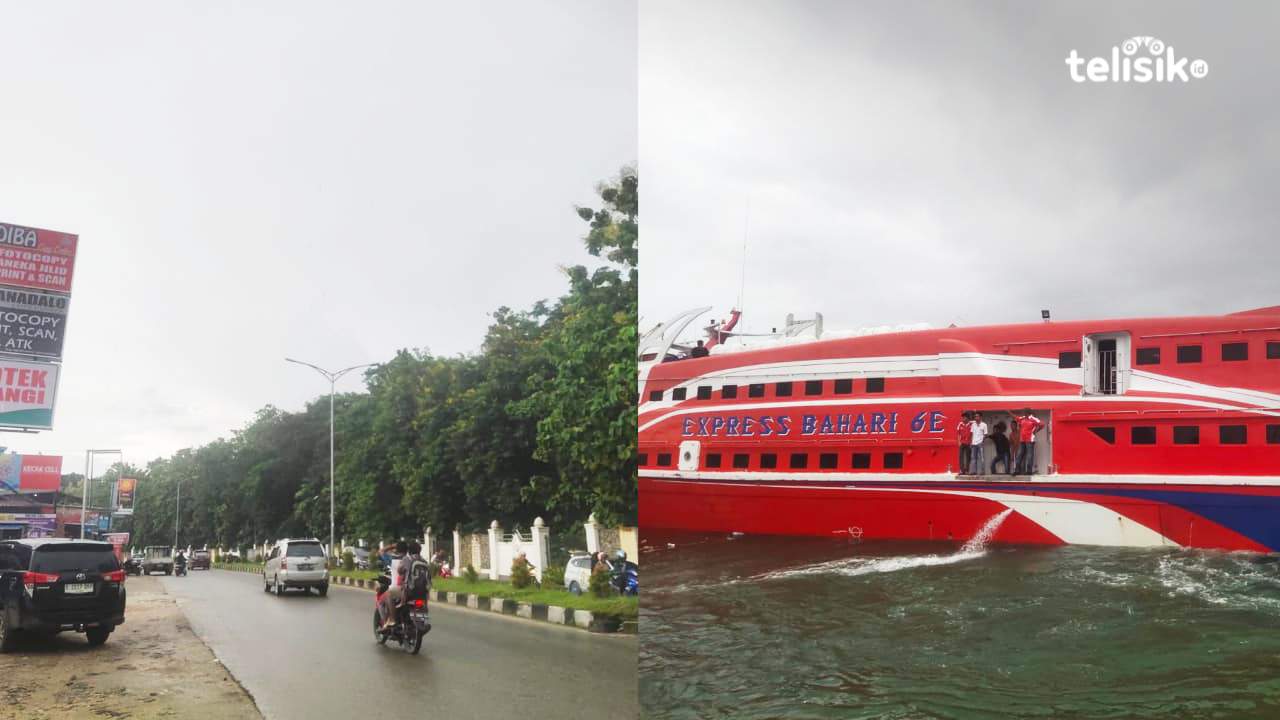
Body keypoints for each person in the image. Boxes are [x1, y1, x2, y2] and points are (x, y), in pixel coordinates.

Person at [377, 540, 408, 630]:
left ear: (397, 549)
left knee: (381, 601)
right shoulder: (411, 559)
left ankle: (389, 621)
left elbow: (381, 551)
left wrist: (391, 546)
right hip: (411, 590)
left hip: (398, 588)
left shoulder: (393, 559)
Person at [1012, 409, 1045, 474]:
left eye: (1024, 412)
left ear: (1028, 413)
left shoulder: (1033, 418)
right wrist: (1008, 411)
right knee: (1019, 455)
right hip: (1022, 440)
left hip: (1030, 440)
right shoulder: (1023, 418)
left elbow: (1042, 424)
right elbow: (1015, 417)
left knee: (1029, 455)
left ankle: (1029, 471)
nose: (1023, 413)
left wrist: (1036, 431)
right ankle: (1017, 470)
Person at [969, 411, 988, 476]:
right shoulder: (973, 425)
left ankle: (982, 471)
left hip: (980, 443)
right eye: (975, 416)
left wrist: (982, 442)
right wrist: (971, 442)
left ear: (980, 417)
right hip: (974, 443)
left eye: (977, 416)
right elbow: (971, 434)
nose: (976, 417)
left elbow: (985, 434)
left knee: (981, 458)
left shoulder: (984, 425)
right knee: (973, 458)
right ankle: (973, 471)